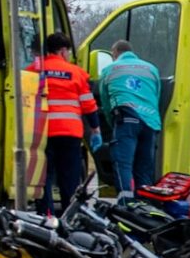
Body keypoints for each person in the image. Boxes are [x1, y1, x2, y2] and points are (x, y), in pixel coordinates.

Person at [26, 32, 100, 218]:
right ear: (62, 51)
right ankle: (69, 216)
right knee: (69, 179)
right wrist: (95, 128)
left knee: (44, 178)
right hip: (70, 134)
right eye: (67, 51)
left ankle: (47, 215)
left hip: (42, 132)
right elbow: (88, 104)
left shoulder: (33, 70)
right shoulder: (76, 73)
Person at [100, 39, 161, 196]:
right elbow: (157, 96)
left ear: (115, 54)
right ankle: (145, 206)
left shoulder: (110, 70)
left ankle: (126, 204)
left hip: (127, 119)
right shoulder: (152, 69)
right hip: (151, 122)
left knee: (123, 164)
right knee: (144, 167)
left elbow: (105, 101)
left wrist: (111, 123)